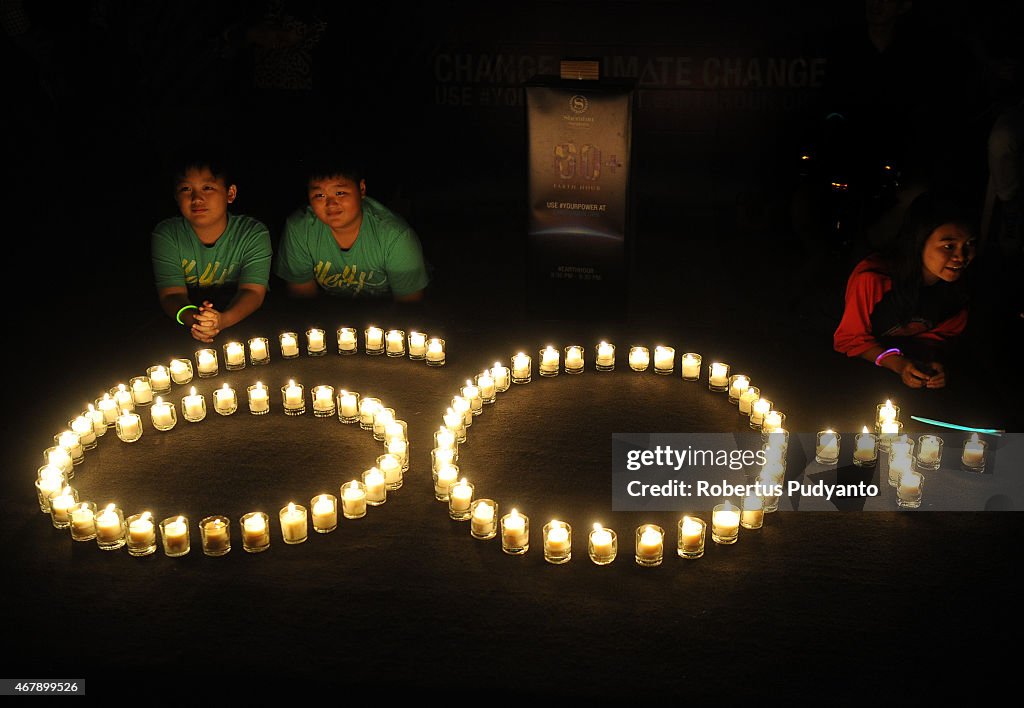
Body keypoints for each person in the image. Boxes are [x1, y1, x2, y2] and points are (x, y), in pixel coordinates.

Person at [833, 192, 976, 388]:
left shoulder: (957, 291)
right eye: (949, 246)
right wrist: (897, 364)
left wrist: (934, 364)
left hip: (903, 380)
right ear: (919, 241)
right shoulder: (874, 279)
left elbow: (940, 338)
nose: (961, 256)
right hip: (847, 372)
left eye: (969, 244)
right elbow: (849, 339)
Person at [151, 156, 272, 342]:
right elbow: (171, 295)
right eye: (186, 189)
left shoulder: (252, 234)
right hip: (188, 324)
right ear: (176, 197)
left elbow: (253, 292)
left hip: (243, 320)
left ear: (230, 193)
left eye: (207, 188)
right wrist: (196, 320)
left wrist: (222, 320)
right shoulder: (168, 235)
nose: (197, 198)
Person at [275, 158, 429, 301]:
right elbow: (303, 300)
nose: (331, 204)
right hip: (328, 317)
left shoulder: (395, 236)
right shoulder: (301, 229)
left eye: (340, 193)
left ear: (361, 189)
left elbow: (409, 305)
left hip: (386, 318)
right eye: (319, 195)